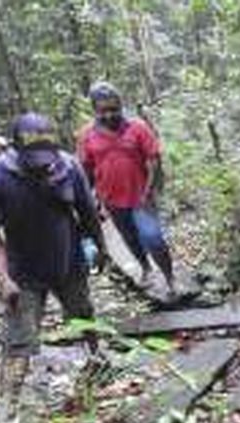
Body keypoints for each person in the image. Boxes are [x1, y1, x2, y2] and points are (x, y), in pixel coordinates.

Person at [0, 113, 107, 423]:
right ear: (14, 149)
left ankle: (95, 361)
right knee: (18, 339)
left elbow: (87, 212)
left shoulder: (69, 166)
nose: (43, 166)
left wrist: (100, 248)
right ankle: (9, 410)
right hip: (23, 272)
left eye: (47, 159)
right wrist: (4, 279)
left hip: (69, 261)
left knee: (83, 314)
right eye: (35, 160)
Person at [77, 81, 176, 295]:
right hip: (111, 199)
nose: (110, 115)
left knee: (153, 238)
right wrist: (89, 199)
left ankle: (170, 277)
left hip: (141, 197)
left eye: (114, 109)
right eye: (103, 111)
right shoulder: (86, 135)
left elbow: (154, 161)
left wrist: (149, 191)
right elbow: (86, 169)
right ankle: (146, 268)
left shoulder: (137, 127)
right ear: (94, 110)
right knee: (129, 237)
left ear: (121, 105)